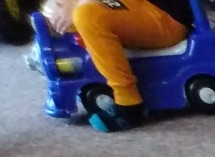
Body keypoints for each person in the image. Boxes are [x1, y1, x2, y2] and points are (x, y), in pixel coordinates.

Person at [40, 0, 190, 131]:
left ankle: (128, 101)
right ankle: (95, 59)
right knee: (55, 12)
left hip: (163, 13)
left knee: (87, 16)